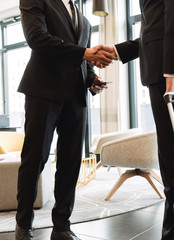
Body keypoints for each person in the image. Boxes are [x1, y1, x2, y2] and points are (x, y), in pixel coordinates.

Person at [109, 0, 174, 239]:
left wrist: (173, 70)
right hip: (170, 67)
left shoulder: (173, 72)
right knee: (172, 156)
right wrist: (119, 51)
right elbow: (158, 24)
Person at [15, 0, 116, 240]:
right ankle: (23, 224)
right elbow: (37, 38)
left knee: (71, 162)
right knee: (34, 159)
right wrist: (84, 53)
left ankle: (61, 225)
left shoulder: (85, 19)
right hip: (43, 91)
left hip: (76, 96)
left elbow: (83, 60)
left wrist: (92, 79)